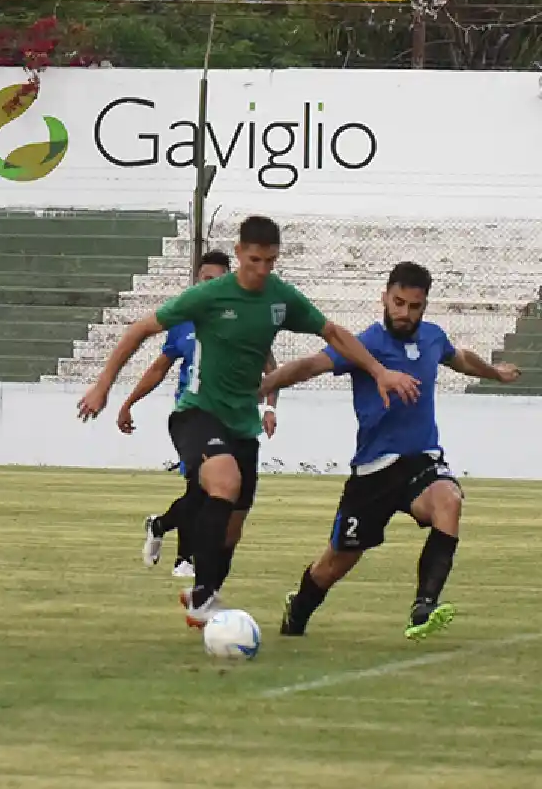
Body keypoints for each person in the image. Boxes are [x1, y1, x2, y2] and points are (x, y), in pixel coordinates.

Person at [77, 215, 421, 629]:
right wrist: (103, 387)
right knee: (224, 483)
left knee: (232, 528)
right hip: (197, 412)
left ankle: (202, 594)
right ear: (239, 253)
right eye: (255, 260)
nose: (262, 270)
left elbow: (332, 332)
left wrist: (379, 371)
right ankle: (203, 595)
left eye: (270, 261)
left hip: (242, 423)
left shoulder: (279, 298)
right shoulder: (209, 296)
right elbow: (139, 330)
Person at [260, 262, 520, 639]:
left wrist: (495, 373)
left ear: (424, 306)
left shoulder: (432, 337)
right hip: (373, 473)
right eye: (399, 302)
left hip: (422, 460)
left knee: (449, 499)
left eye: (415, 306)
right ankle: (298, 610)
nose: (405, 313)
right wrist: (260, 389)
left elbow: (459, 358)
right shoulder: (365, 344)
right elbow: (309, 365)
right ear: (384, 298)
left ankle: (423, 607)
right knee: (335, 563)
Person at [117, 251, 280, 579]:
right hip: (194, 417)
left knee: (211, 493)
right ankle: (185, 560)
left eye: (220, 279)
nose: (213, 285)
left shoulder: (244, 321)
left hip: (234, 418)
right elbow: (159, 367)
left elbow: (270, 367)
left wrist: (269, 407)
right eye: (207, 279)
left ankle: (161, 525)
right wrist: (128, 402)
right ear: (196, 282)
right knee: (201, 486)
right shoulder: (182, 323)